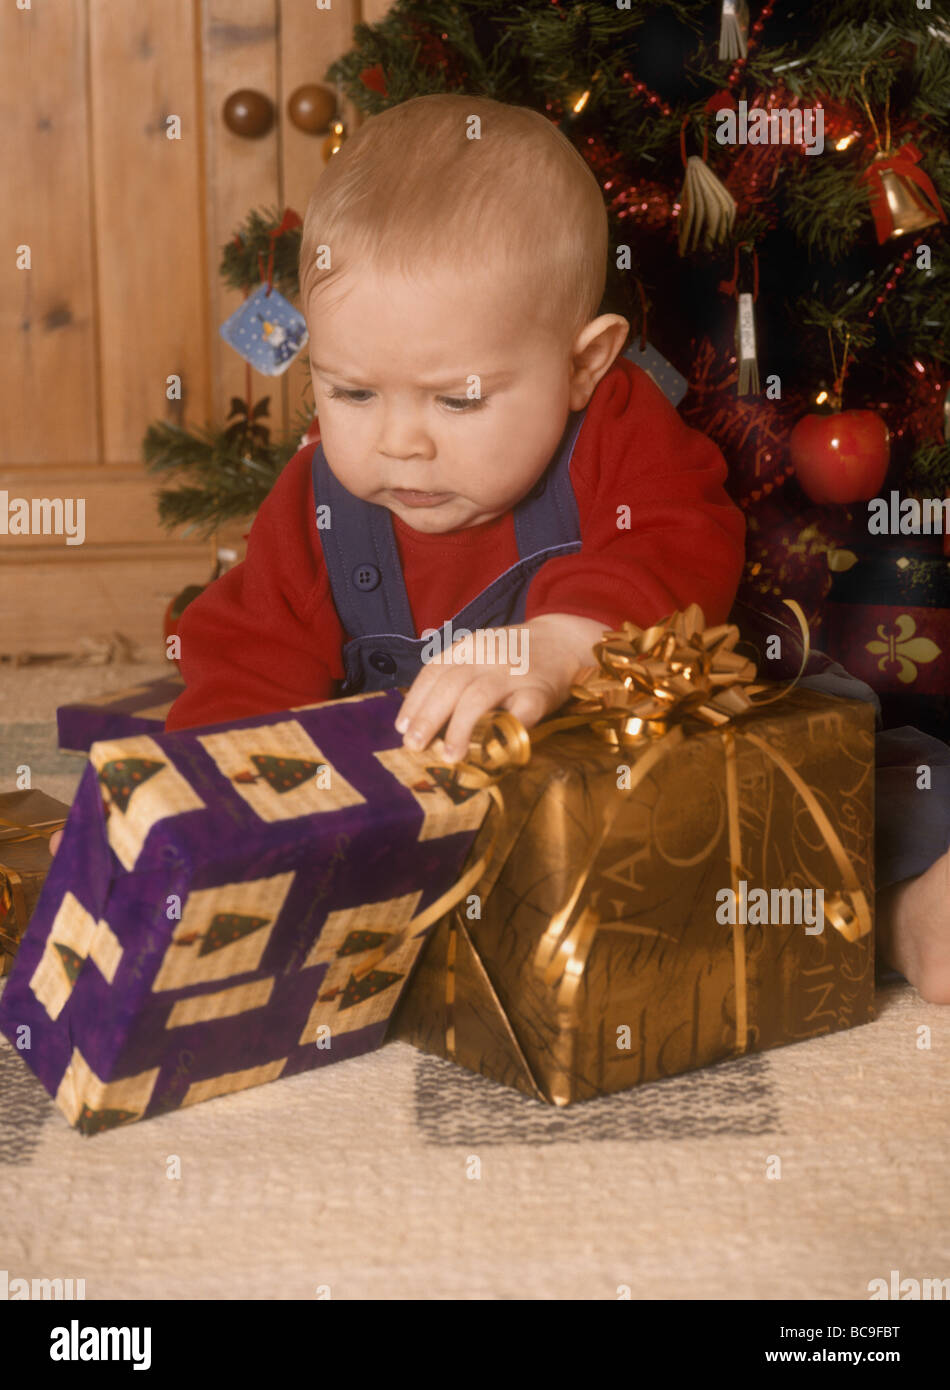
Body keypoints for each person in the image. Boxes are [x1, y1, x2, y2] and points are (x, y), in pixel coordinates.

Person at [54, 95, 950, 1004]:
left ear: (583, 364)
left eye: (458, 400)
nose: (401, 442)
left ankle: (907, 906)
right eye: (353, 393)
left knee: (824, 789)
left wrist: (568, 639)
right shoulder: (317, 500)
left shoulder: (615, 427)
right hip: (465, 802)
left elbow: (685, 540)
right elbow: (248, 657)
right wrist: (208, 808)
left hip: (662, 749)